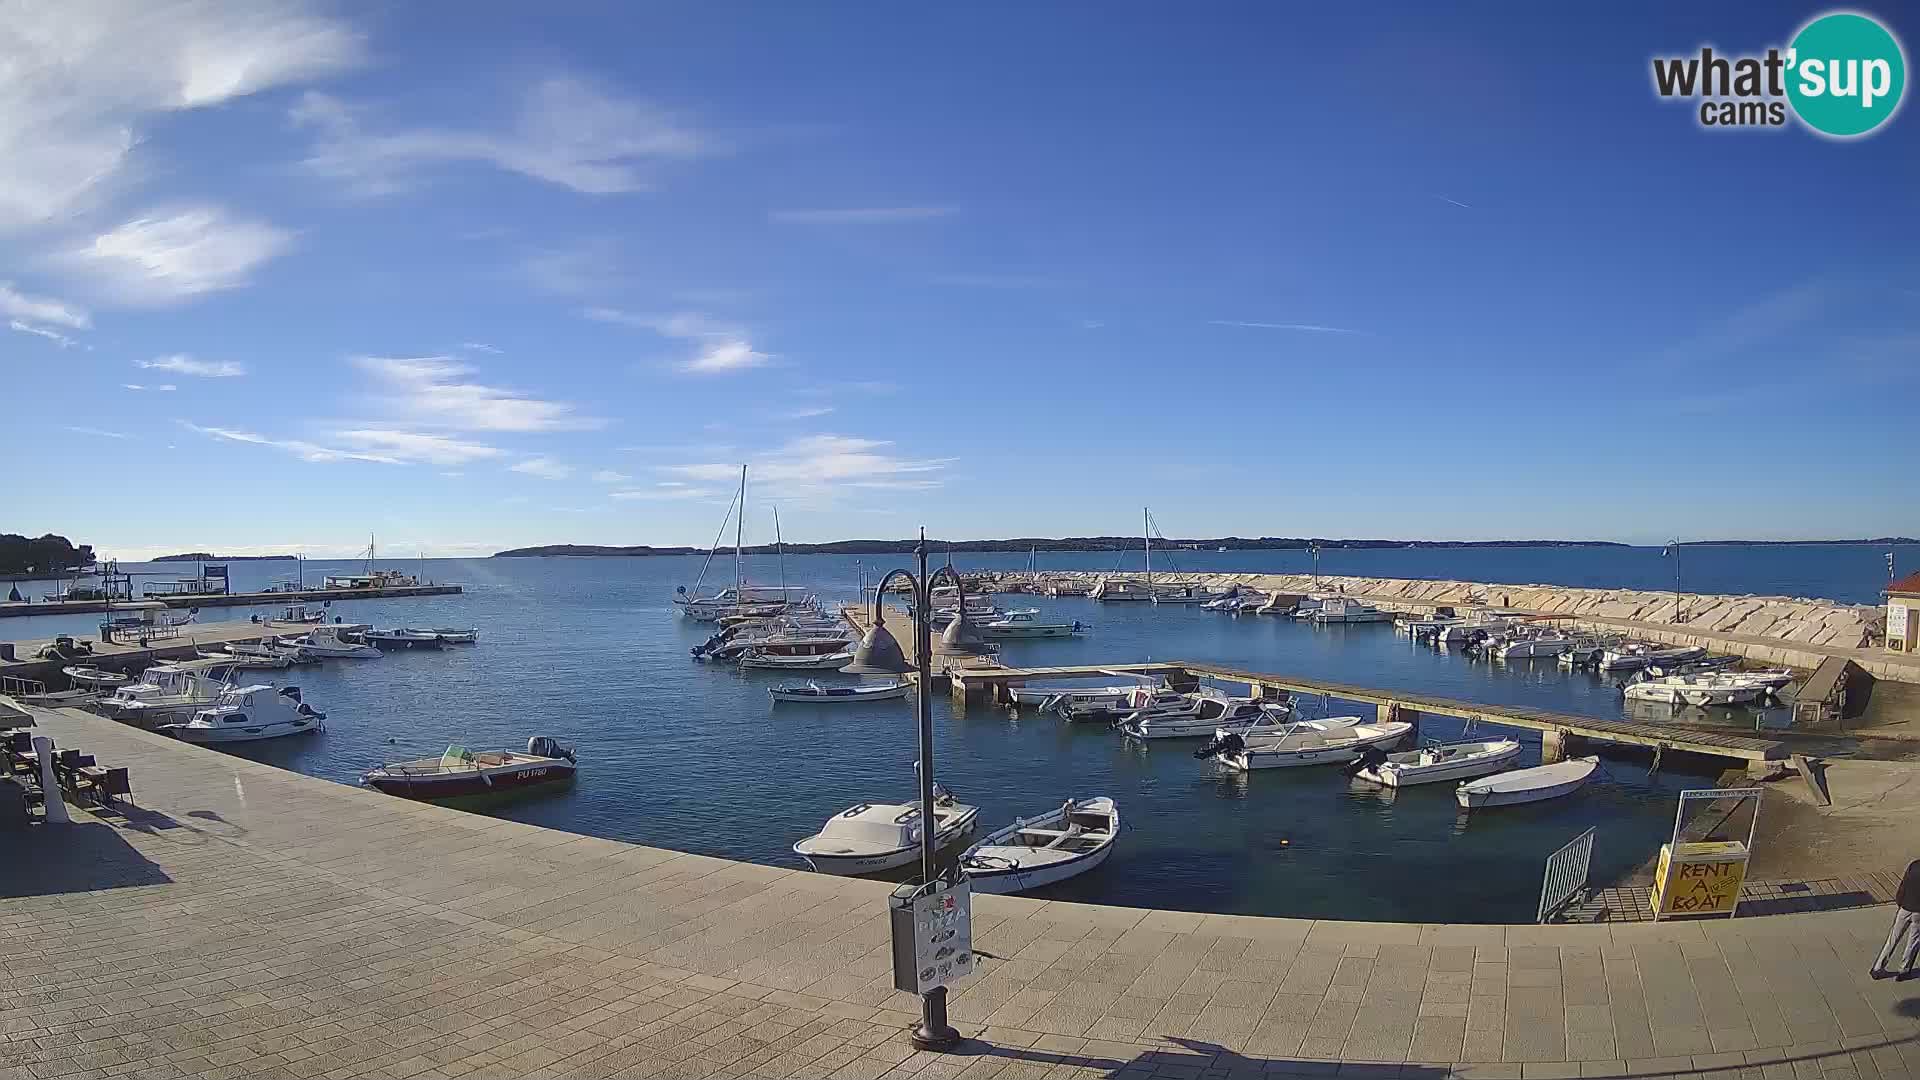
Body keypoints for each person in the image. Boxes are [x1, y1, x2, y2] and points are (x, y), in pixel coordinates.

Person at [1872, 859, 1920, 980]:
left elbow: (1903, 885)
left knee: (1893, 938)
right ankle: (1903, 970)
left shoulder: (1913, 866)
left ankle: (1878, 968)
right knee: (1913, 942)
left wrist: (1900, 902)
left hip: (1905, 907)